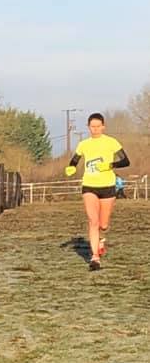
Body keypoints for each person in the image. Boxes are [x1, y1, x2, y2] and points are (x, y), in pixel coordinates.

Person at [64, 113, 130, 270]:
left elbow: (126, 161)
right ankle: (95, 257)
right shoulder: (84, 144)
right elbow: (75, 160)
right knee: (93, 221)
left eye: (98, 126)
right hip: (89, 186)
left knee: (103, 225)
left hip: (107, 186)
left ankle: (100, 240)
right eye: (92, 127)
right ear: (88, 127)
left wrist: (110, 165)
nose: (95, 129)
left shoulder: (111, 142)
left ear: (103, 127)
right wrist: (71, 167)